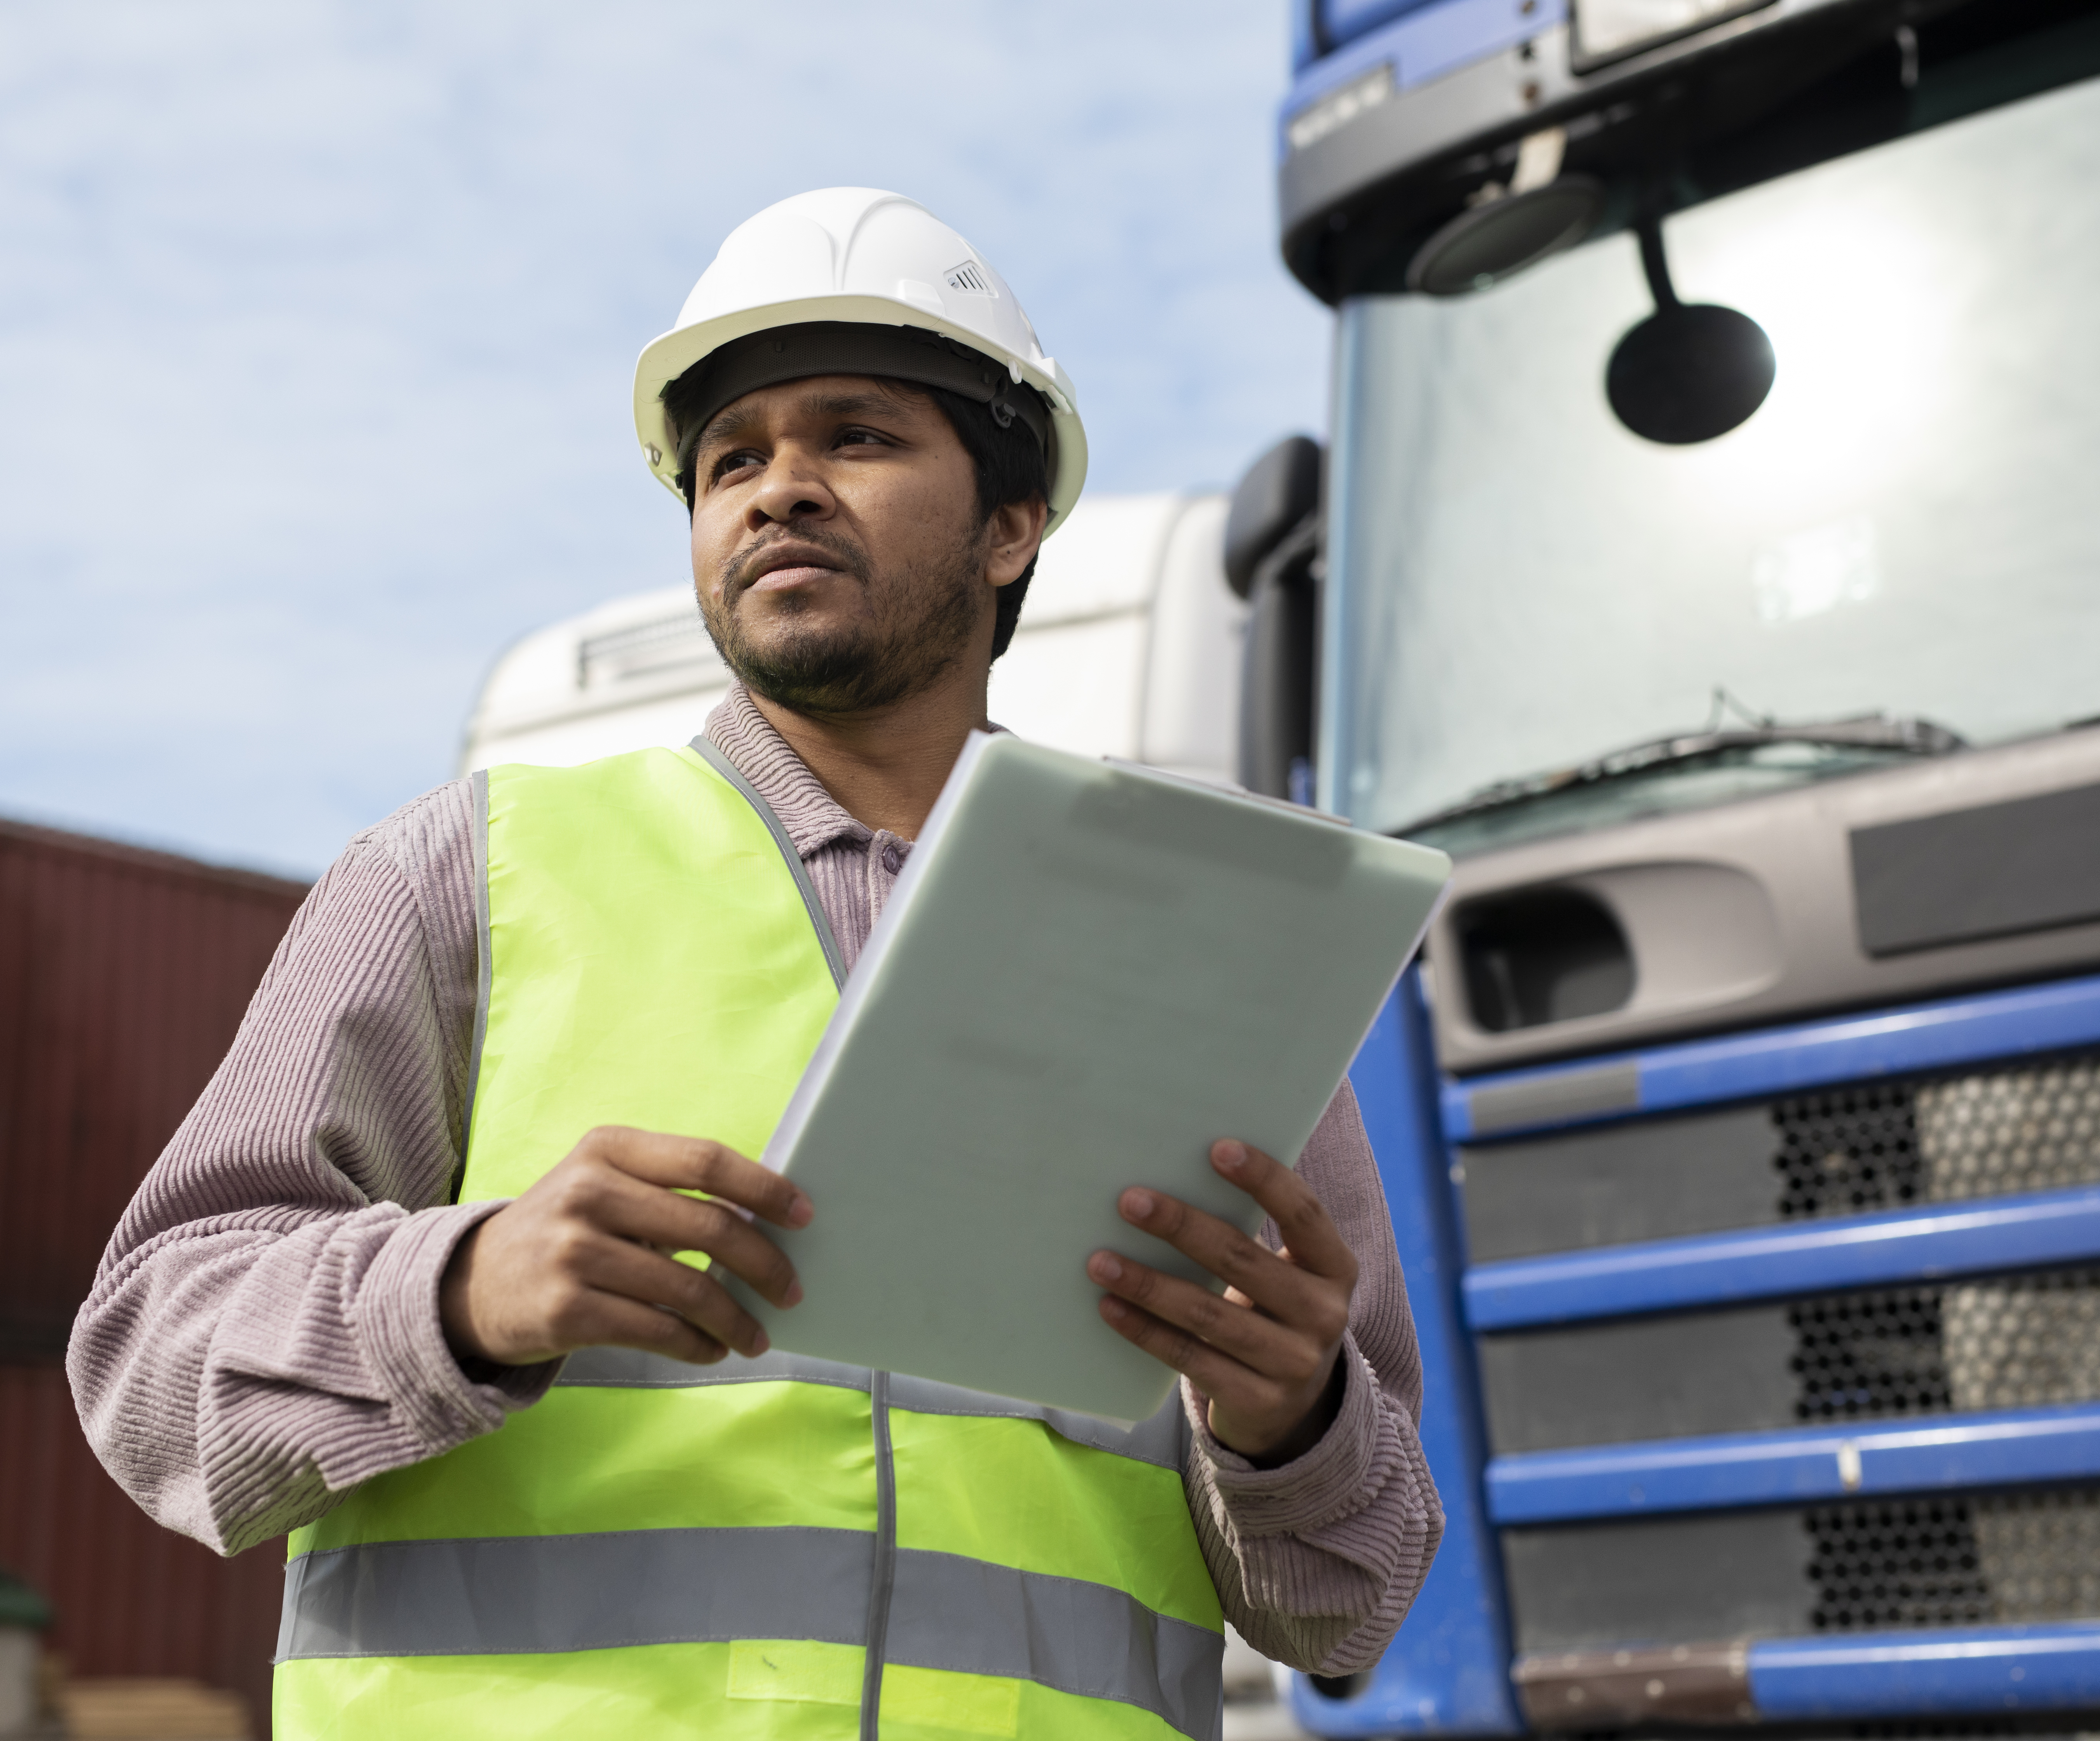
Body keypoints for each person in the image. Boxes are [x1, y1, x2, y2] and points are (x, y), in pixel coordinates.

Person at [70, 188, 1440, 1741]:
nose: (779, 488)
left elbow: (1356, 1596)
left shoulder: (1215, 942)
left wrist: (1291, 1418)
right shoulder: (462, 874)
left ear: (1011, 524)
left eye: (856, 436)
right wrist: (458, 1290)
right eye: (734, 459)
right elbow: (150, 1371)